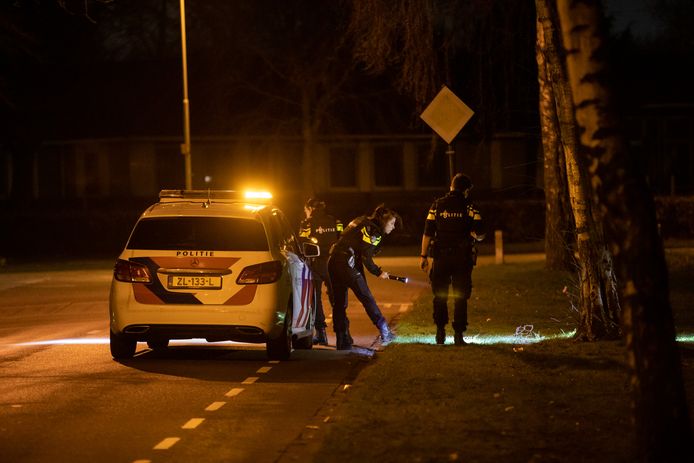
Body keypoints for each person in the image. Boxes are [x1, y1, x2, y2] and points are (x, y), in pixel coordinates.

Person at [420, 173, 485, 345]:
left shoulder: (436, 205)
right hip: (462, 259)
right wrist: (473, 235)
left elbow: (427, 233)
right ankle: (458, 336)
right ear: (465, 190)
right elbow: (480, 234)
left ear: (451, 187)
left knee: (439, 295)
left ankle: (440, 333)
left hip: (440, 257)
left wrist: (423, 256)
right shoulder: (470, 206)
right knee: (460, 296)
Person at [328, 204, 400, 350]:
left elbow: (357, 251)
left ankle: (342, 340)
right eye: (392, 223)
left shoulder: (361, 220)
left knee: (339, 303)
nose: (393, 227)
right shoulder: (374, 231)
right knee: (367, 298)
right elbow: (366, 257)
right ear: (382, 220)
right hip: (346, 263)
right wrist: (378, 272)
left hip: (334, 261)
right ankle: (385, 332)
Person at [298, 198, 343, 345]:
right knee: (337, 300)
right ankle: (343, 335)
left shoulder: (307, 224)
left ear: (310, 208)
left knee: (315, 300)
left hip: (315, 264)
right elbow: (341, 240)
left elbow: (301, 244)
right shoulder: (336, 221)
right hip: (334, 264)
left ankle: (321, 334)